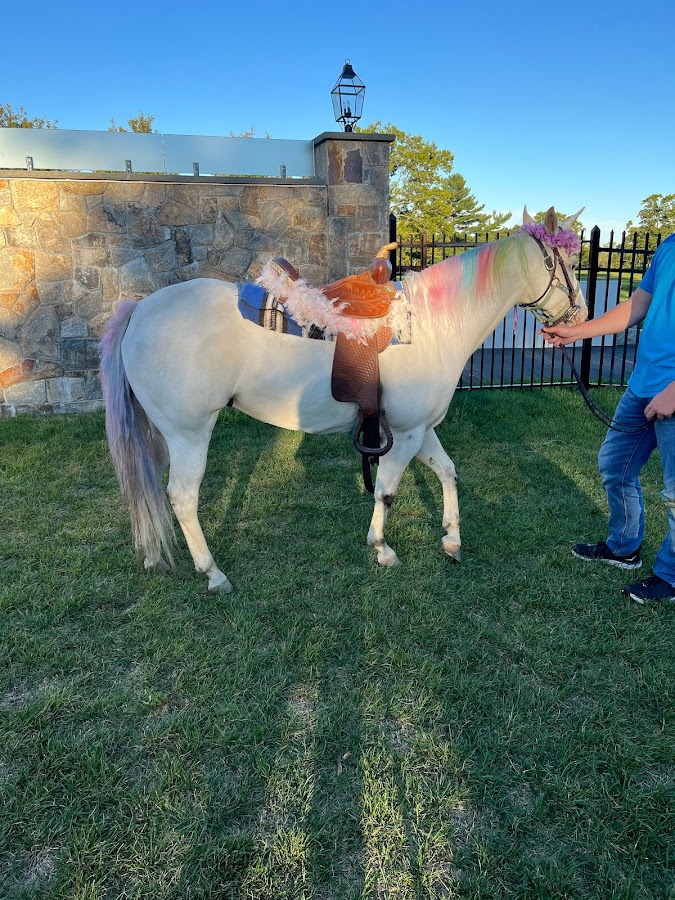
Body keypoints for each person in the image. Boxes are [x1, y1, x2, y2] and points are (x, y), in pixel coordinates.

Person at [542, 233, 675, 605]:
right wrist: (577, 331)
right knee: (615, 466)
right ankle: (623, 548)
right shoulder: (668, 246)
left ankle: (671, 577)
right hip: (644, 383)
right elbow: (638, 305)